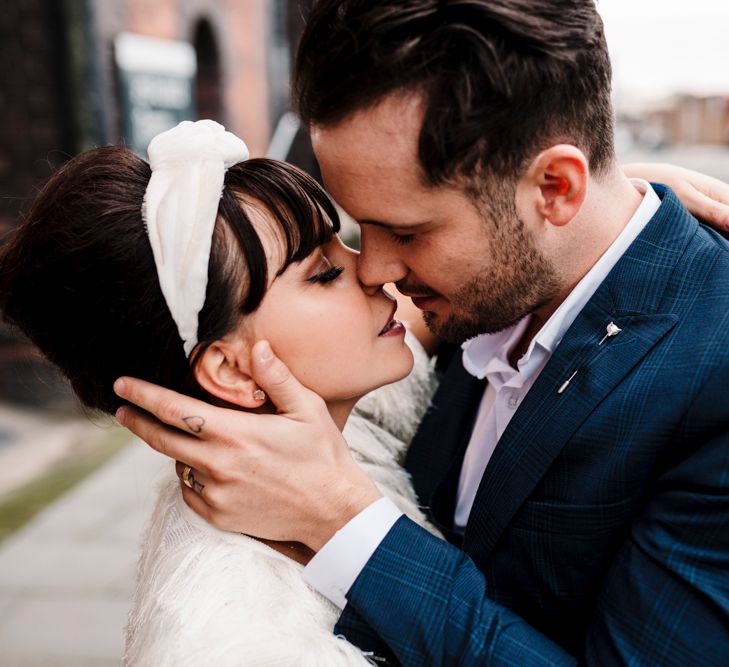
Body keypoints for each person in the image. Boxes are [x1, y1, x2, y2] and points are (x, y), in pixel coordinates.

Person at [113, 2, 729, 665]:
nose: (374, 271)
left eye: (406, 231)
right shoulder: (480, 282)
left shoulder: (709, 366)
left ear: (555, 187)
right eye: (358, 226)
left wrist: (346, 525)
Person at [0, 120, 443, 665]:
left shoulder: (345, 424)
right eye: (324, 272)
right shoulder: (240, 642)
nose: (371, 270)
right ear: (231, 371)